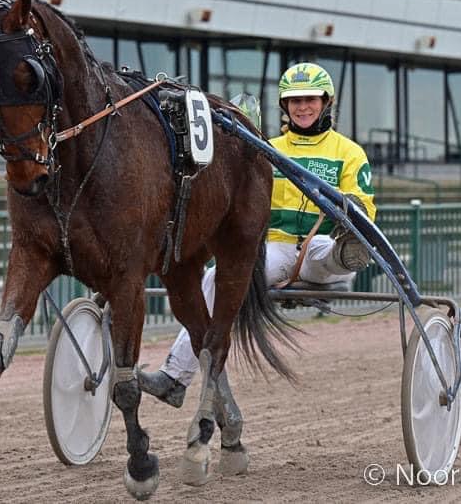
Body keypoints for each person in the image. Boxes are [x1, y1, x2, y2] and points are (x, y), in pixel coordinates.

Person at [139, 62, 377, 408]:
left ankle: (347, 252)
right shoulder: (267, 149)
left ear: (326, 102)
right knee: (212, 279)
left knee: (325, 248)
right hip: (276, 251)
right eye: (295, 101)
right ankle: (174, 377)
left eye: (310, 99)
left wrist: (350, 209)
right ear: (285, 106)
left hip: (323, 249)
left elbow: (366, 207)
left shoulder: (349, 153)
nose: (303, 107)